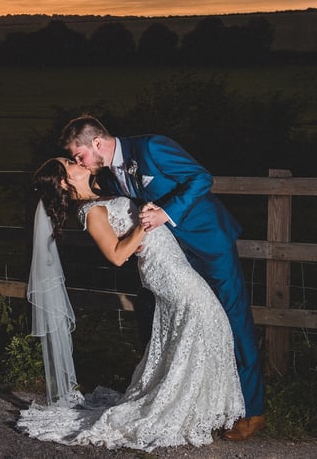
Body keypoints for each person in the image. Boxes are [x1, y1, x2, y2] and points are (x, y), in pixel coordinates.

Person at [59, 115, 266, 441]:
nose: (79, 162)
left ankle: (252, 410)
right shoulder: (109, 177)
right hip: (171, 259)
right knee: (173, 321)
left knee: (233, 318)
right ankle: (198, 402)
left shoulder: (151, 147)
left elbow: (201, 178)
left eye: (79, 155)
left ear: (96, 143)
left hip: (208, 243)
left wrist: (166, 213)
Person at [17, 158, 244, 451]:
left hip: (172, 261)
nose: (76, 161)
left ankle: (197, 408)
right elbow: (116, 255)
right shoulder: (90, 211)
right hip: (166, 271)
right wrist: (142, 227)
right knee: (210, 318)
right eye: (69, 163)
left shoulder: (101, 194)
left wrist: (140, 221)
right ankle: (186, 407)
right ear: (64, 182)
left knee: (197, 328)